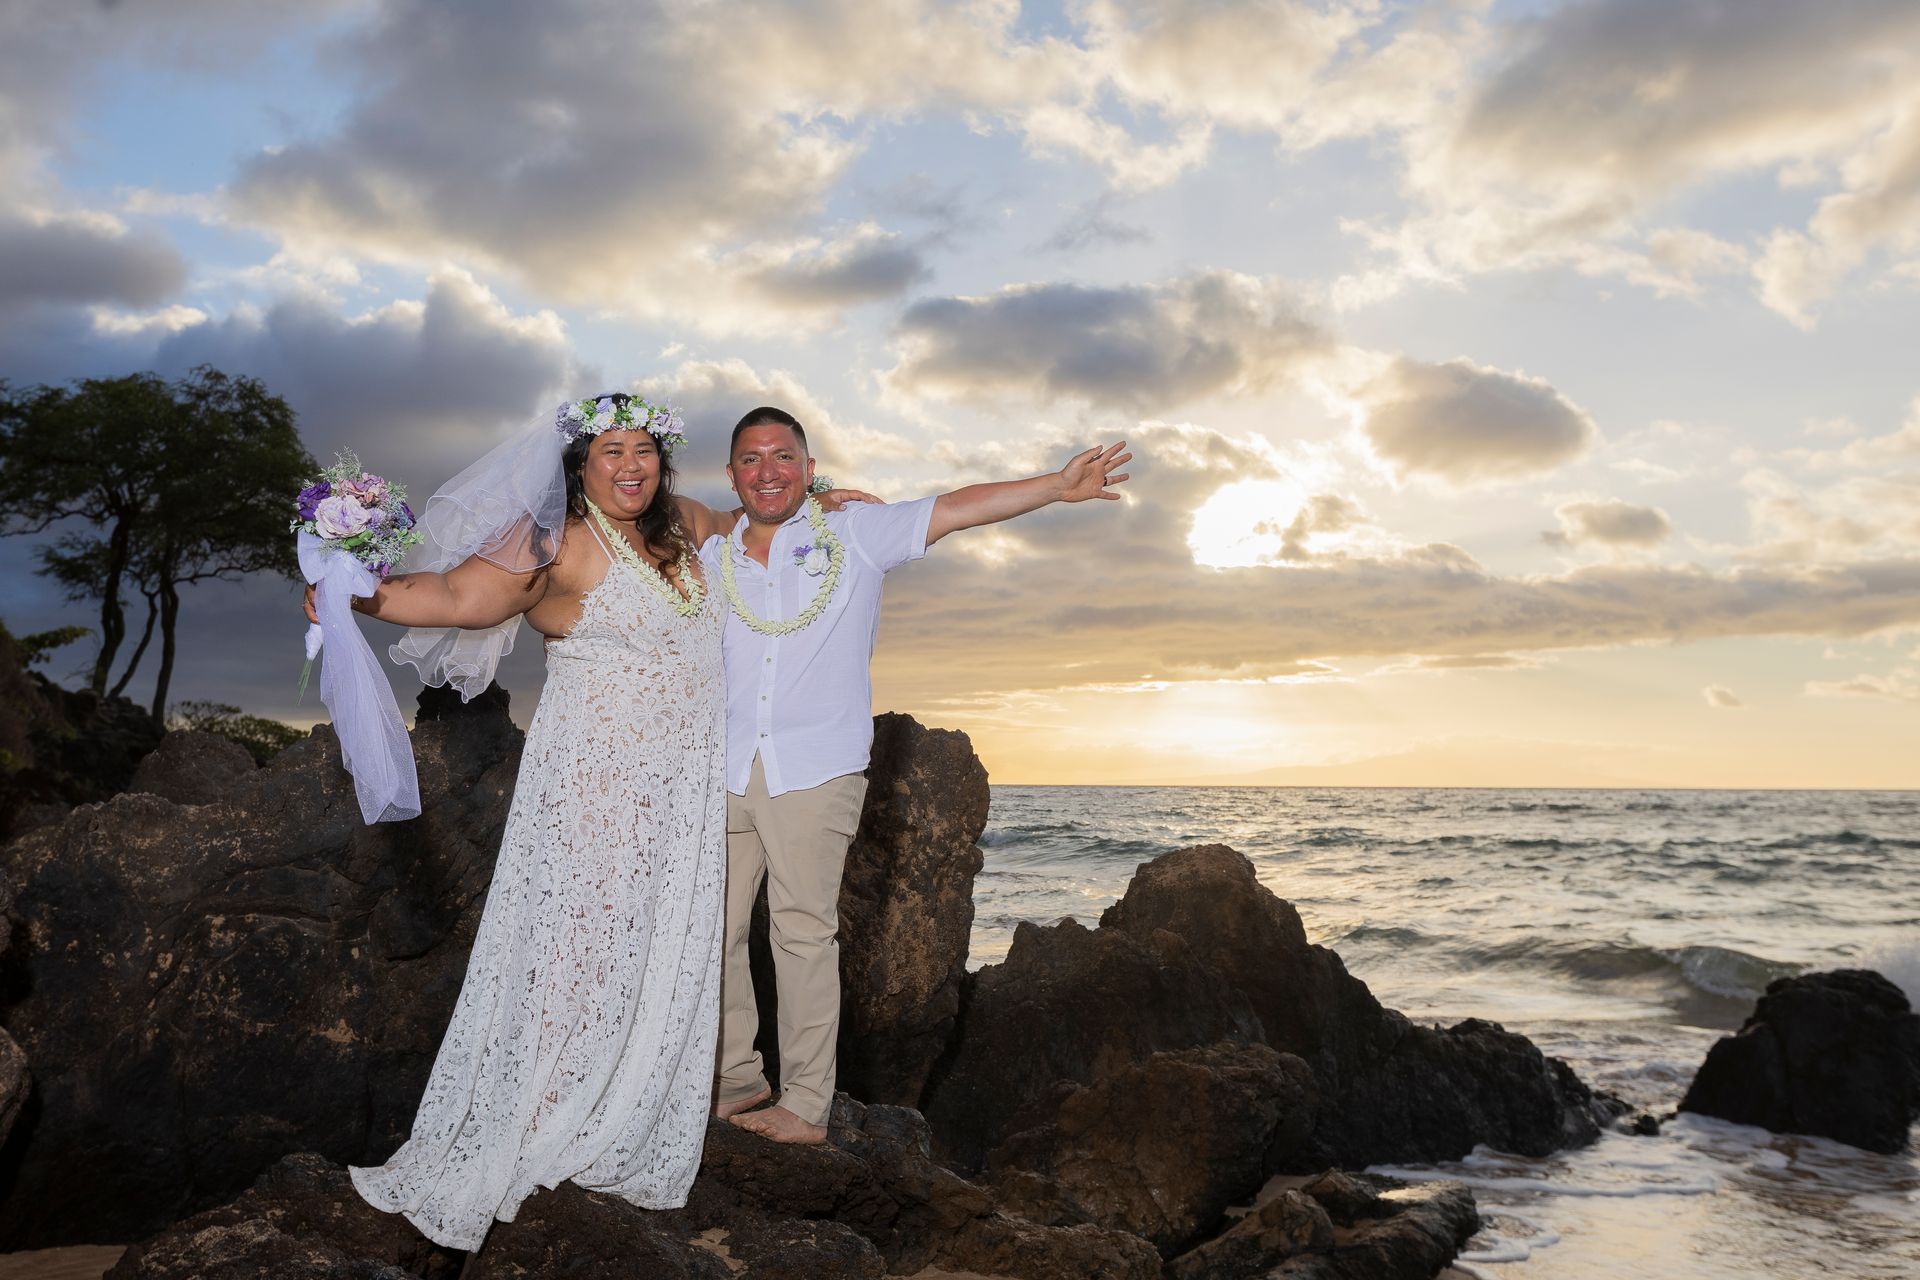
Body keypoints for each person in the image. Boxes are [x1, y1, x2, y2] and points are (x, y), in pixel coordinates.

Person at [305, 394, 864, 1251]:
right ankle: (551, 1107)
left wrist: (813, 501)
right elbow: (458, 597)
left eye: (643, 448)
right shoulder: (554, 540)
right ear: (579, 462)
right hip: (596, 787)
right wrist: (360, 595)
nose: (630, 465)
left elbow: (740, 512)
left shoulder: (679, 523)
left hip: (681, 790)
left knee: (657, 944)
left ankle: (656, 1085)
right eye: (611, 450)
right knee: (580, 946)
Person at [704, 406, 1130, 1144]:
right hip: (725, 764)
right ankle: (736, 1075)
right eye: (750, 459)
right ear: (733, 474)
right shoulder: (715, 556)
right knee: (712, 930)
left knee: (802, 933)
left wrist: (1057, 487)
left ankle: (804, 1105)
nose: (766, 470)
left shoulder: (854, 535)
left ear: (809, 469)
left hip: (814, 767)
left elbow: (956, 508)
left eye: (782, 457)